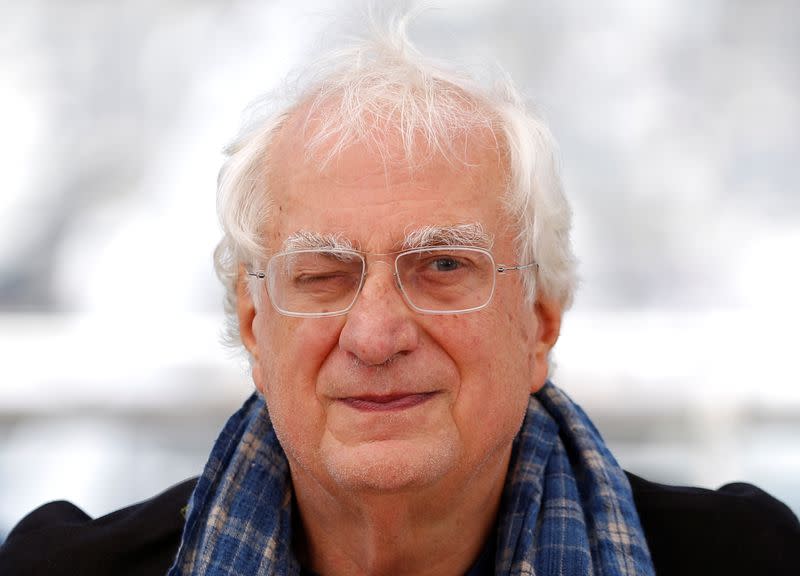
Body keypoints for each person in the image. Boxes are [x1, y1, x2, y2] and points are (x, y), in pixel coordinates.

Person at [1, 11, 798, 576]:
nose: (376, 335)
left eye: (443, 267)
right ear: (252, 327)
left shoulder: (746, 558)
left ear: (540, 324)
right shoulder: (66, 567)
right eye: (321, 276)